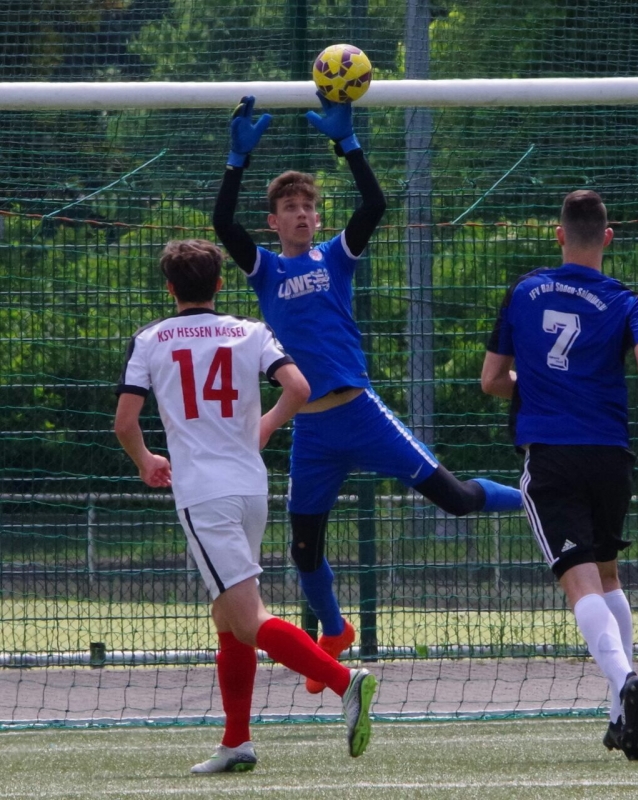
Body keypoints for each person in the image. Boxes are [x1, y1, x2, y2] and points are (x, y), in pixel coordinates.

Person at [212, 95, 523, 693]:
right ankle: (335, 631)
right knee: (304, 551)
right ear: (273, 222)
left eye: (308, 207)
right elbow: (224, 224)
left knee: (457, 499)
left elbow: (375, 204)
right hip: (312, 431)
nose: (302, 214)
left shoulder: (335, 257)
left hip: (360, 413)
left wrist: (349, 144)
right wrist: (236, 161)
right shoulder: (266, 269)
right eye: (290, 208)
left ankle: (537, 498)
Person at [113, 238, 377, 773]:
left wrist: (145, 460)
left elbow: (124, 423)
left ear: (170, 288)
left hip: (203, 494)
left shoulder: (151, 338)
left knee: (249, 618)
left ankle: (344, 681)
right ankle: (236, 742)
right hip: (251, 488)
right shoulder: (249, 331)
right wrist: (266, 425)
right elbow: (298, 386)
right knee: (229, 620)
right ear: (218, 283)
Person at [481, 189, 638, 761]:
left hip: (552, 456)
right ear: (607, 237)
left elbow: (492, 380)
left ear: (559, 235)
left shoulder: (524, 290)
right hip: (610, 456)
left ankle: (625, 681)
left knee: (579, 585)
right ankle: (618, 717)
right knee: (607, 575)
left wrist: (537, 386)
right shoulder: (626, 300)